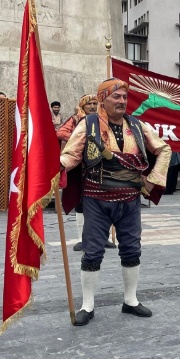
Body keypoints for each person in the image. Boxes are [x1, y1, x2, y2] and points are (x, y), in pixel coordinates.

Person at [60, 78, 171, 326]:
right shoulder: (87, 125)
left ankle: (130, 300)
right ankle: (87, 305)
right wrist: (57, 166)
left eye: (124, 97)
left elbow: (164, 149)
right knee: (92, 251)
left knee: (132, 248)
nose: (122, 101)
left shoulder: (137, 125)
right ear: (103, 99)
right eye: (116, 97)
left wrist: (152, 180)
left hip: (130, 200)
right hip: (96, 198)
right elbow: (71, 155)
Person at [56, 94, 109, 252]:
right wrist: (79, 139)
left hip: (100, 166)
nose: (93, 106)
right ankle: (82, 239)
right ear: (82, 106)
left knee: (105, 202)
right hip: (80, 167)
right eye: (89, 104)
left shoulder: (103, 118)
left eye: (95, 103)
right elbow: (60, 133)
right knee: (81, 203)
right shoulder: (75, 119)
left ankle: (103, 238)